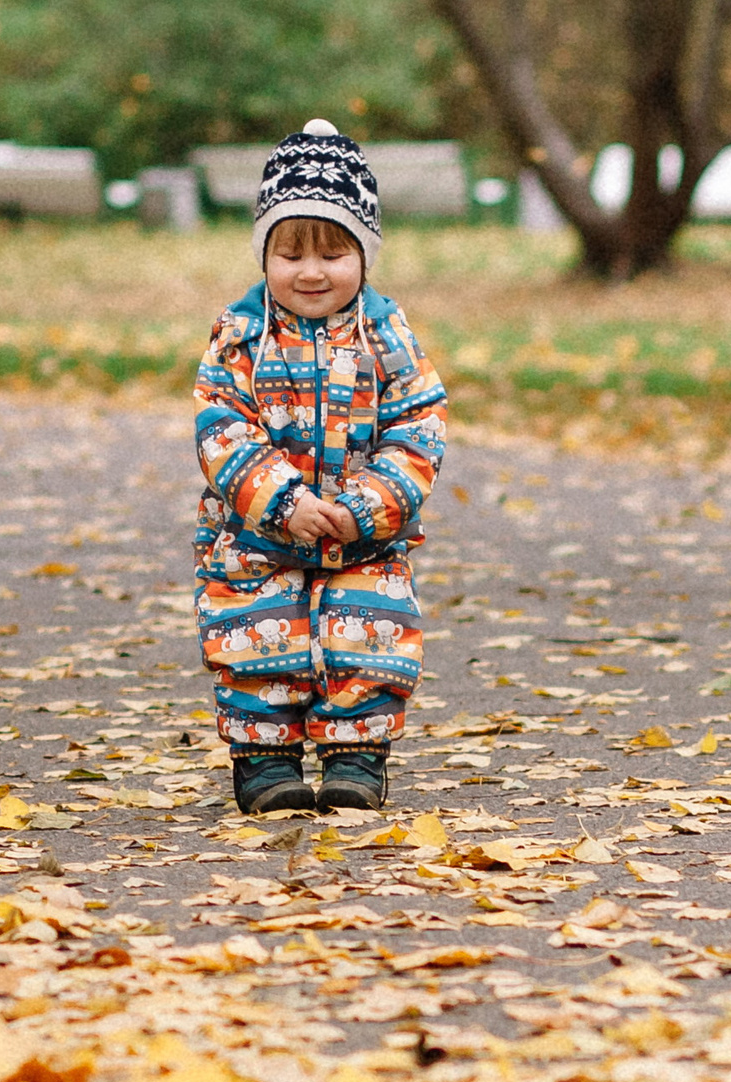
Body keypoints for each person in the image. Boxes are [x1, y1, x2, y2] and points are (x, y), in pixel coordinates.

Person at [193, 120, 448, 815]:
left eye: (334, 253)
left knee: (367, 635)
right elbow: (222, 427)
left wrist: (367, 504)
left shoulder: (387, 336)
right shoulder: (240, 335)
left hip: (363, 537)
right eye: (291, 254)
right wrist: (282, 502)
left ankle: (356, 756)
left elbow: (419, 427)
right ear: (264, 255)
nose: (311, 272)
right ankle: (265, 761)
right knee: (255, 638)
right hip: (257, 537)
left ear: (365, 254)